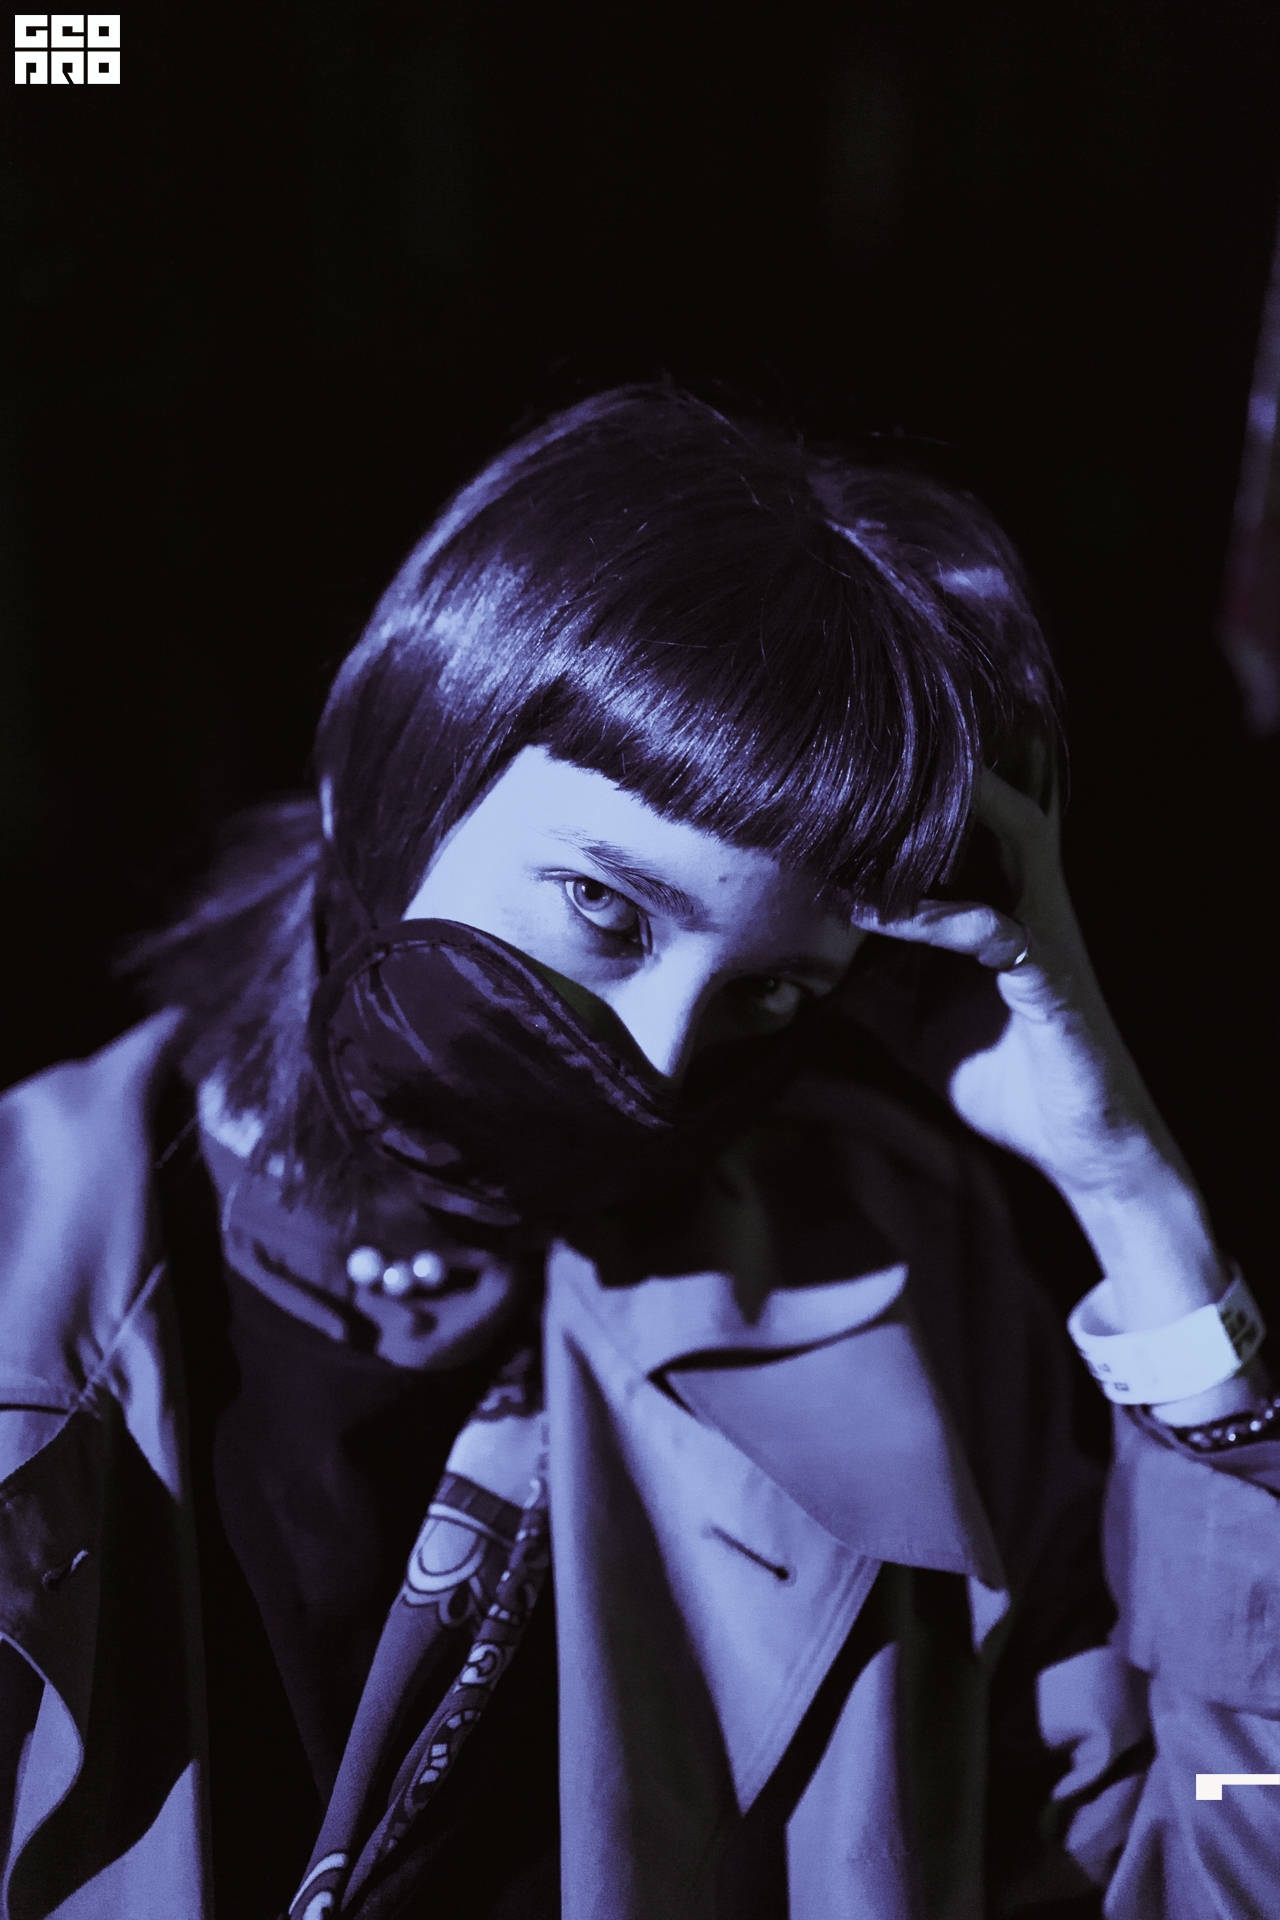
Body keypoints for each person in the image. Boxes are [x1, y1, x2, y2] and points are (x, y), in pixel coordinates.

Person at [1, 385, 1277, 1920]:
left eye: (770, 992)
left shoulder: (906, 1296)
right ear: (388, 774)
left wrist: (1136, 1205)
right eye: (605, 908)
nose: (668, 1059)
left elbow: (1238, 1847)